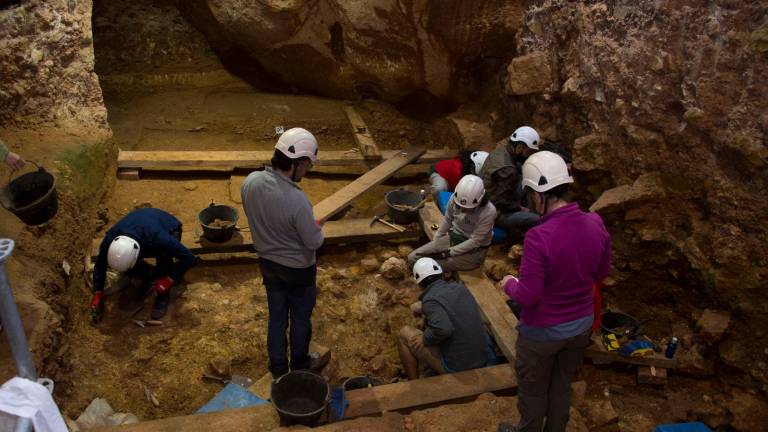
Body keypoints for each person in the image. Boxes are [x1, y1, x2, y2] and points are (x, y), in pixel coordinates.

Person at [497, 151, 611, 432]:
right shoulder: (595, 222)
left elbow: (528, 296)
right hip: (580, 327)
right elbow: (600, 274)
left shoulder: (538, 237)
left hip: (542, 334)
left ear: (538, 194)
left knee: (534, 392)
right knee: (561, 385)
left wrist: (509, 283)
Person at [241, 127, 324, 378]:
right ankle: (299, 364)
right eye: (307, 166)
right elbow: (314, 242)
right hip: (298, 271)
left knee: (277, 316)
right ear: (297, 163)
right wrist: (317, 229)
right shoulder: (298, 201)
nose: (306, 172)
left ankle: (278, 368)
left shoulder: (250, 182)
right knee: (299, 318)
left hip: (268, 264)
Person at [90, 208, 197, 322]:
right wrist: (98, 293)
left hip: (169, 227)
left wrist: (169, 280)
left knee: (164, 258)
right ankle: (150, 274)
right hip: (142, 228)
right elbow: (100, 263)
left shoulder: (160, 238)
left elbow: (189, 258)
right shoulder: (110, 239)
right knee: (127, 267)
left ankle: (162, 297)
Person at [398, 257, 488, 379]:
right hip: (482, 358)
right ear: (441, 274)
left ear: (419, 283)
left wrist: (425, 338)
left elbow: (443, 329)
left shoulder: (430, 301)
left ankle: (414, 383)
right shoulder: (460, 288)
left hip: (460, 369)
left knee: (404, 334)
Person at [408, 174, 496, 273]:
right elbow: (448, 219)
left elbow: (475, 241)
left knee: (430, 267)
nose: (463, 210)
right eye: (461, 207)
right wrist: (437, 239)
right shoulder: (454, 199)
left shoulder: (489, 212)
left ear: (479, 201)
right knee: (413, 258)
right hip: (454, 237)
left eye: (468, 208)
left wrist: (450, 252)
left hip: (475, 251)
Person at [478, 126, 540, 238]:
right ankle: (518, 236)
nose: (529, 155)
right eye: (529, 152)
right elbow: (502, 203)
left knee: (523, 177)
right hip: (492, 213)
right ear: (520, 147)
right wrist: (520, 208)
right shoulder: (508, 170)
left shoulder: (500, 151)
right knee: (536, 219)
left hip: (484, 200)